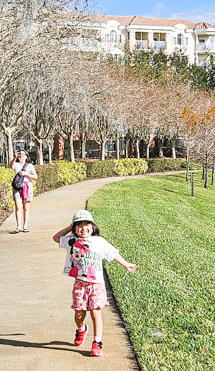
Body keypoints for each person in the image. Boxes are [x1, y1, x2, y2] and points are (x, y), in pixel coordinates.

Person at [52, 209, 136, 357]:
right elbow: (56, 237)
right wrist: (69, 227)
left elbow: (113, 253)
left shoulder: (99, 241)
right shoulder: (72, 241)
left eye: (87, 224)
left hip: (96, 284)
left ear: (92, 226)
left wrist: (126, 264)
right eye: (79, 225)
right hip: (80, 284)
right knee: (79, 313)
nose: (83, 228)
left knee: (95, 312)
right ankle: (81, 329)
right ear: (74, 228)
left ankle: (97, 342)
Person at [10, 149, 38, 233]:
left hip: (27, 187)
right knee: (18, 207)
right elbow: (11, 166)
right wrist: (14, 157)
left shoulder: (29, 166)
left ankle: (25, 226)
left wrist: (26, 174)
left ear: (26, 156)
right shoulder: (16, 164)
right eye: (19, 154)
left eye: (22, 154)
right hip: (17, 187)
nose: (20, 156)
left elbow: (35, 177)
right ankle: (18, 226)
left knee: (26, 207)